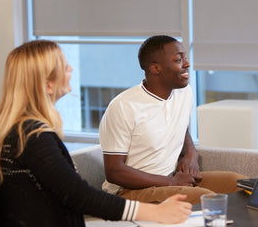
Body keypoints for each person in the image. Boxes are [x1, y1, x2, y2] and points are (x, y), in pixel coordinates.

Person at [0, 40, 191, 227]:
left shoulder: (22, 130)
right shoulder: (32, 136)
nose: (71, 69)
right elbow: (78, 195)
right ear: (47, 85)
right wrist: (156, 212)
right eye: (63, 66)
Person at [99, 35, 247, 205]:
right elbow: (114, 171)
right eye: (178, 59)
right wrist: (170, 183)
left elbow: (179, 126)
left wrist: (191, 152)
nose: (187, 64)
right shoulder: (123, 107)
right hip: (129, 191)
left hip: (171, 179)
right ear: (156, 68)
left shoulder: (184, 92)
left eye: (185, 57)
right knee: (208, 200)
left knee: (241, 183)